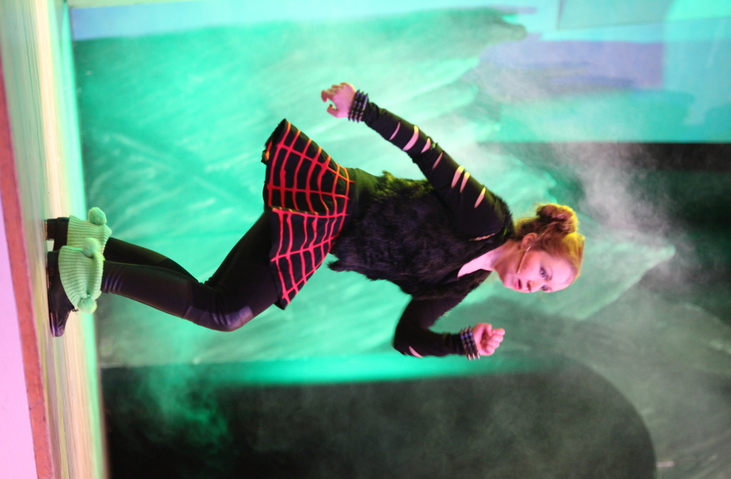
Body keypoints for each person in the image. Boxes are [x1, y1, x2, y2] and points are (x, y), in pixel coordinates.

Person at [46, 83, 585, 359]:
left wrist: (461, 344)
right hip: (334, 204)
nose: (535, 286)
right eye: (544, 272)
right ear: (533, 239)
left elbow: (407, 338)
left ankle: (88, 243)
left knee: (216, 297)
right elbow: (427, 152)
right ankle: (85, 273)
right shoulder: (486, 218)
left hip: (326, 229)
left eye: (546, 289)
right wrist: (362, 108)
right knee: (224, 311)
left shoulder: (464, 282)